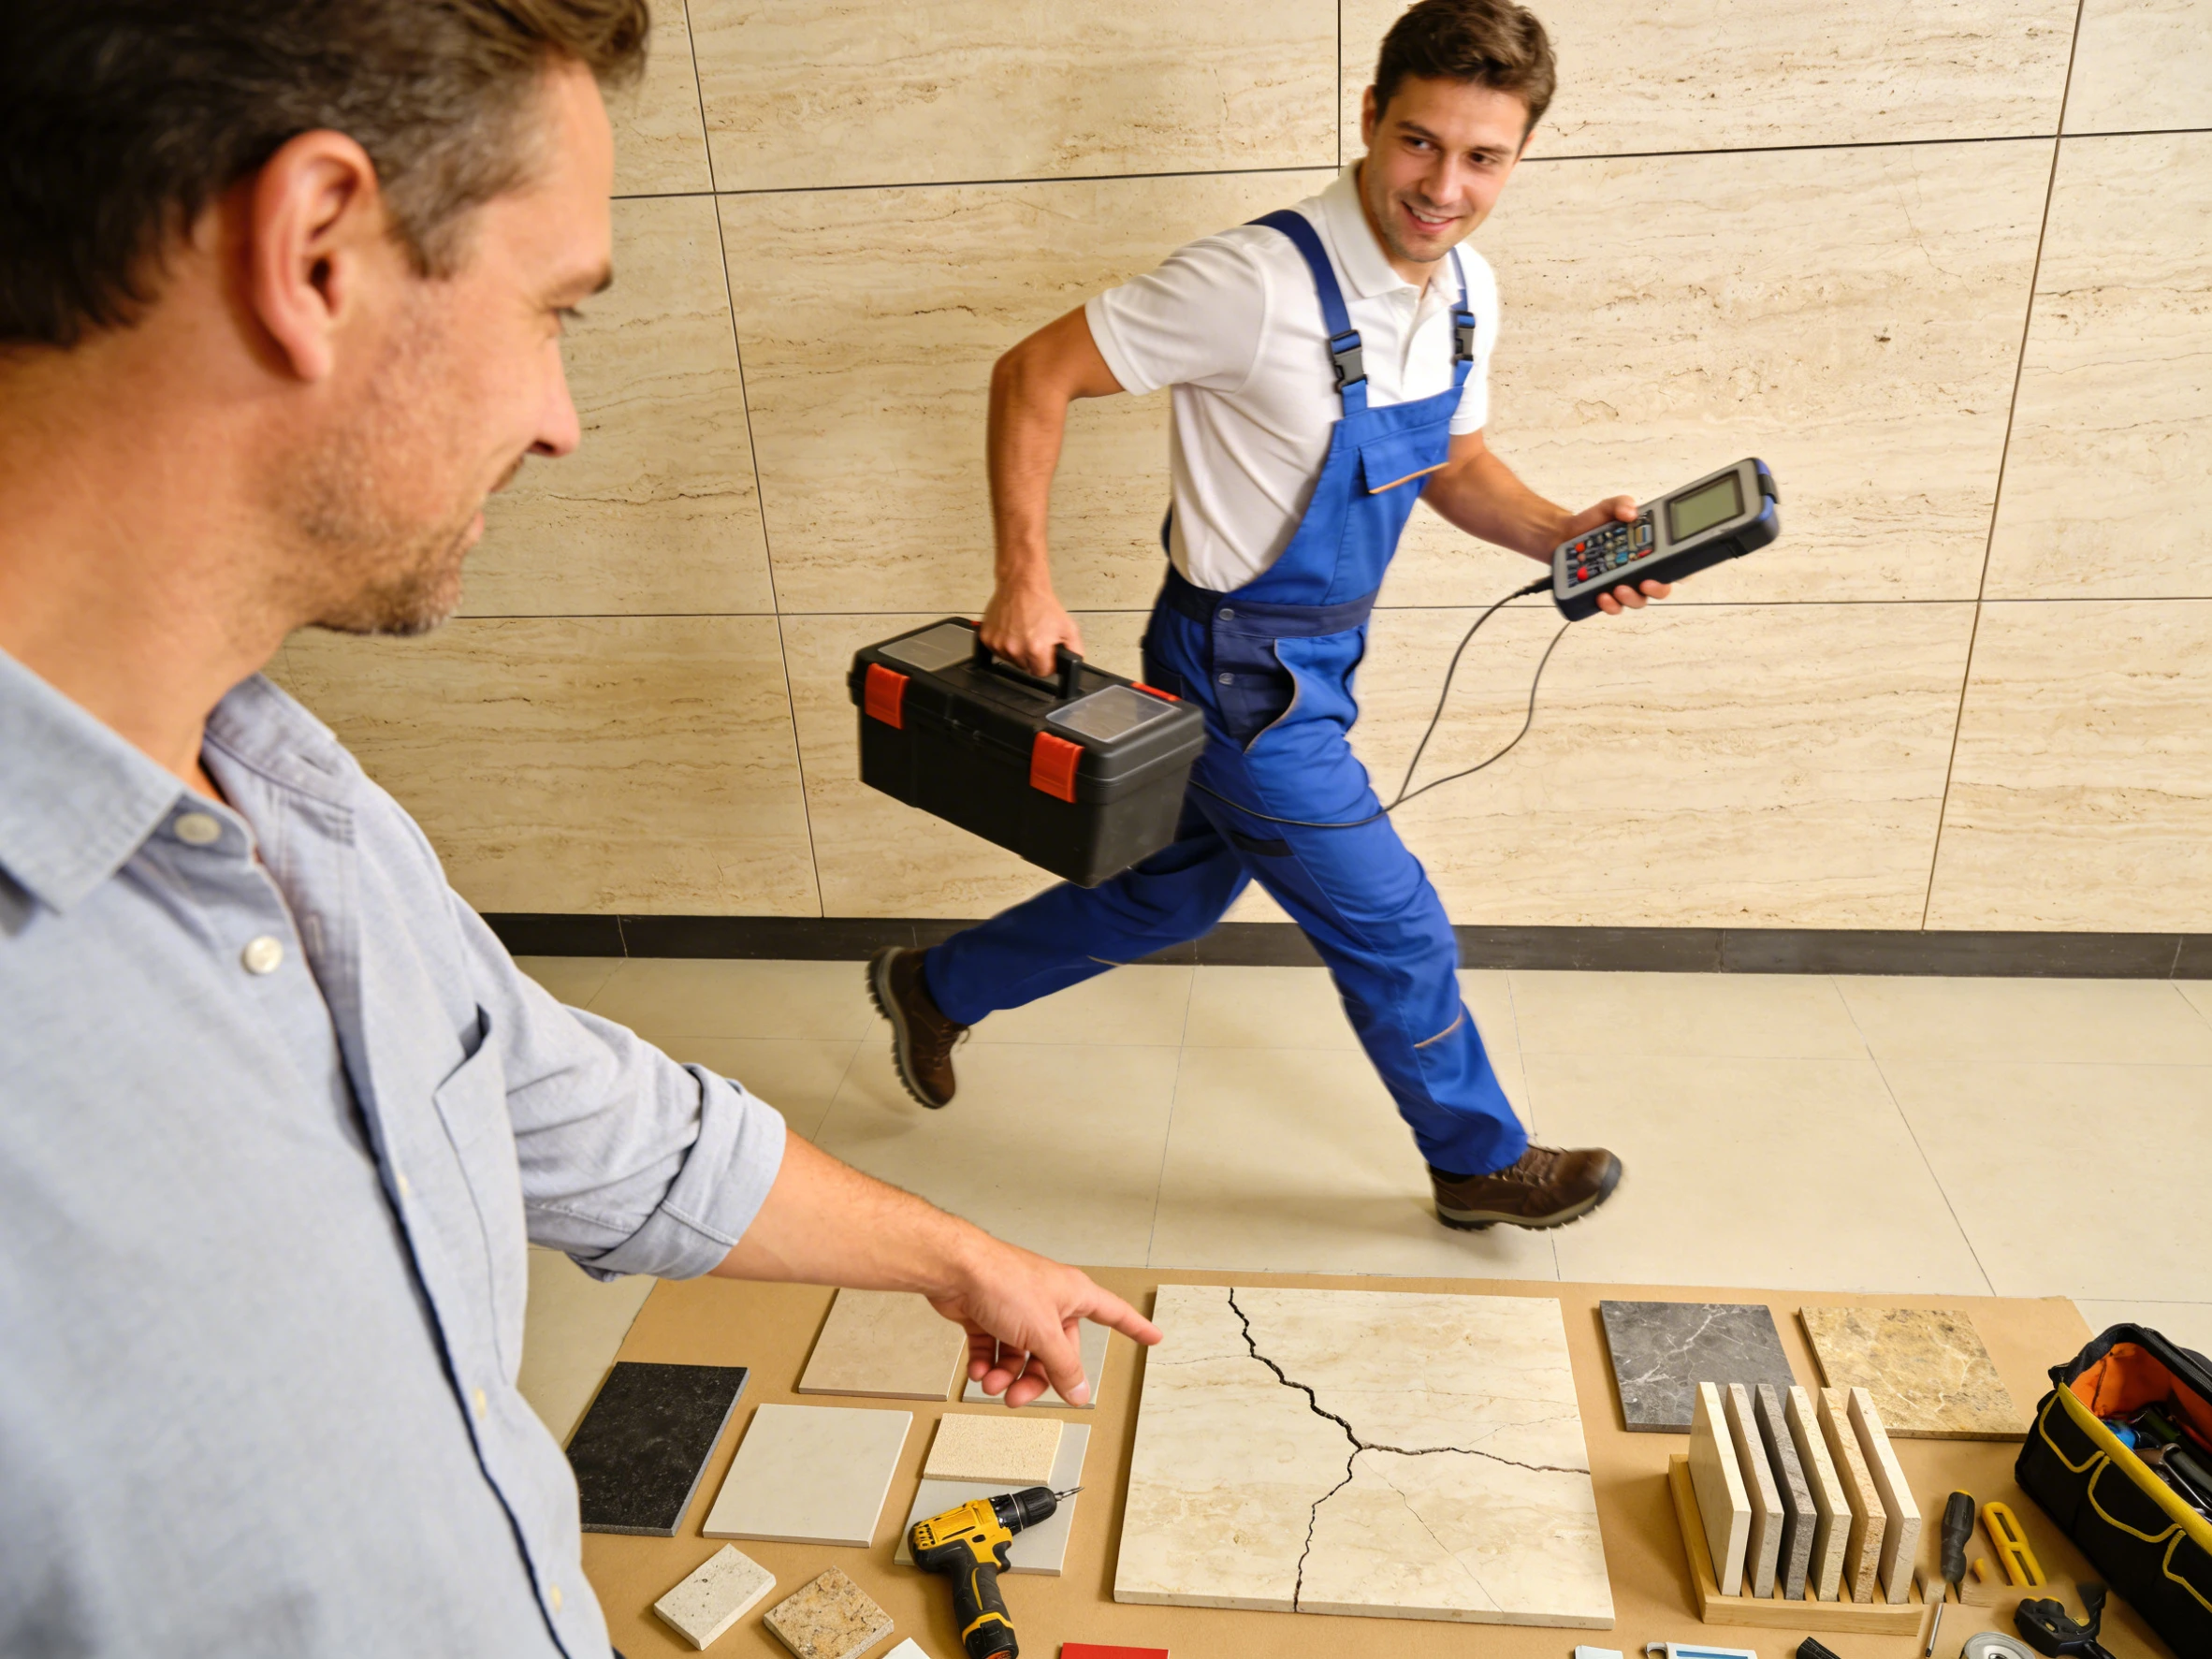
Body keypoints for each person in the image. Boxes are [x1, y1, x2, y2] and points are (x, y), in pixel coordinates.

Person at [0, 4, 1157, 1653]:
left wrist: (955, 1260)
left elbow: (570, 1111)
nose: (561, 419)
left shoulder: (286, 792)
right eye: (553, 312)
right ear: (314, 249)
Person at [869, 0, 1665, 1235]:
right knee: (1392, 923)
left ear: (1518, 157)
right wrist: (1021, 576)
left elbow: (1453, 467)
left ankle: (935, 984)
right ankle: (1475, 1158)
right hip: (1235, 670)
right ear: (1369, 117)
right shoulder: (1252, 280)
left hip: (1324, 656)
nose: (1442, 186)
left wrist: (1567, 535)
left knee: (1170, 895)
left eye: (1482, 157)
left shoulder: (1465, 295)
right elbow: (1033, 372)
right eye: (1418, 142)